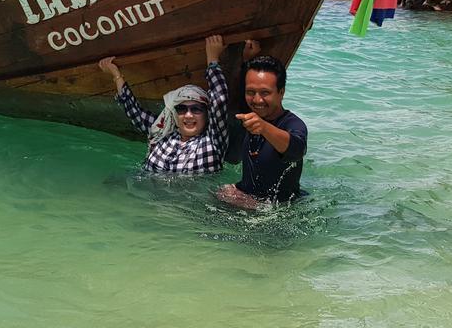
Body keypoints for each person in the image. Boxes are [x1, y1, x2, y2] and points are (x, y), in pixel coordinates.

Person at [97, 35, 230, 174]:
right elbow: (134, 112)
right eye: (181, 109)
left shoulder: (212, 141)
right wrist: (116, 74)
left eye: (196, 109)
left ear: (207, 114)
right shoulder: (163, 131)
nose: (188, 115)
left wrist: (213, 60)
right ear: (174, 112)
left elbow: (220, 99)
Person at [217, 54, 307, 208]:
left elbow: (297, 150)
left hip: (278, 211)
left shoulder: (293, 123)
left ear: (281, 92)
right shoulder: (250, 113)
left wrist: (264, 128)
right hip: (246, 201)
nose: (257, 100)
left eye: (265, 93)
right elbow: (227, 91)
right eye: (251, 92)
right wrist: (249, 56)